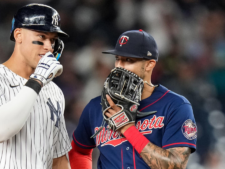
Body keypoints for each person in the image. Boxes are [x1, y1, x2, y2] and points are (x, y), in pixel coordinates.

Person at [69, 29, 197, 169]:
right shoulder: (96, 106)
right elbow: (78, 150)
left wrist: (127, 129)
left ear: (149, 64)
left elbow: (176, 165)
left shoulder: (175, 105)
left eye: (129, 60)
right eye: (117, 59)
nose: (119, 66)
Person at [0, 3, 71, 169]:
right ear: (19, 35)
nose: (49, 47)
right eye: (42, 37)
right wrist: (38, 80)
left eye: (52, 40)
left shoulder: (54, 92)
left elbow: (59, 160)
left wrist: (41, 80)